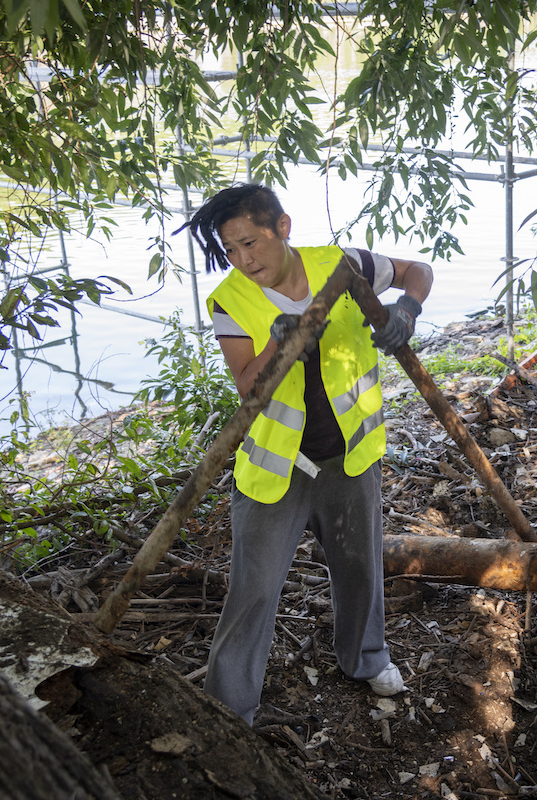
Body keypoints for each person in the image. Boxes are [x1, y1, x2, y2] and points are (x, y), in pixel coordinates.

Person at [178, 183, 433, 726]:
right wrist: (279, 341)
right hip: (278, 469)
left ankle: (365, 659)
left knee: (359, 566)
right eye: (232, 250)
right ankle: (231, 707)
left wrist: (405, 312)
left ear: (283, 227)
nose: (244, 260)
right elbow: (250, 387)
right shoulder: (232, 300)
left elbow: (419, 271)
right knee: (253, 587)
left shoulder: (343, 265)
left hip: (349, 456)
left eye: (251, 242)